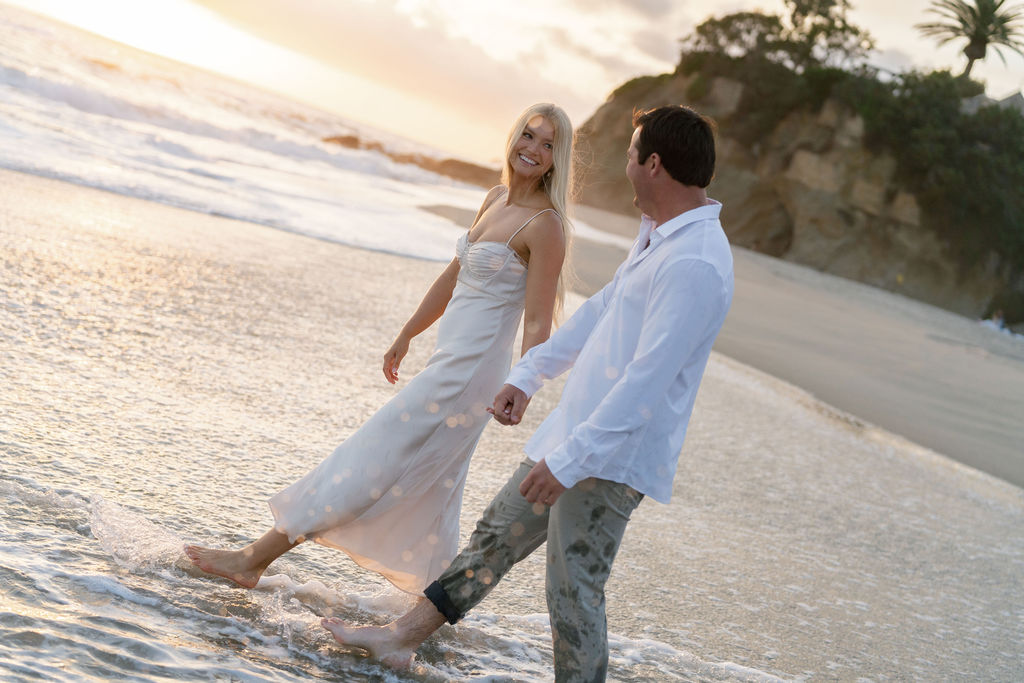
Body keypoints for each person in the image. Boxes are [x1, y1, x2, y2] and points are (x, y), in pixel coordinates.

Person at [320, 105, 735, 681]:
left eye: (630, 154)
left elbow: (646, 384)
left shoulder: (695, 261)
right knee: (493, 539)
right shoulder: (659, 237)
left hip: (609, 460)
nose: (626, 167)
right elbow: (599, 313)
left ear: (654, 165)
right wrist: (529, 374)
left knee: (574, 592)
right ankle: (399, 639)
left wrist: (569, 462)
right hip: (574, 439)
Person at [184, 103, 576, 595]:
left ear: (557, 159)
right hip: (448, 362)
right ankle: (432, 603)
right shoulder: (496, 198)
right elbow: (453, 275)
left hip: (470, 377)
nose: (533, 149)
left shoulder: (546, 225)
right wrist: (408, 333)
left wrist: (523, 385)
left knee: (368, 457)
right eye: (529, 135)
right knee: (434, 490)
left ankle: (252, 560)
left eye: (548, 144)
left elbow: (538, 319)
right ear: (514, 136)